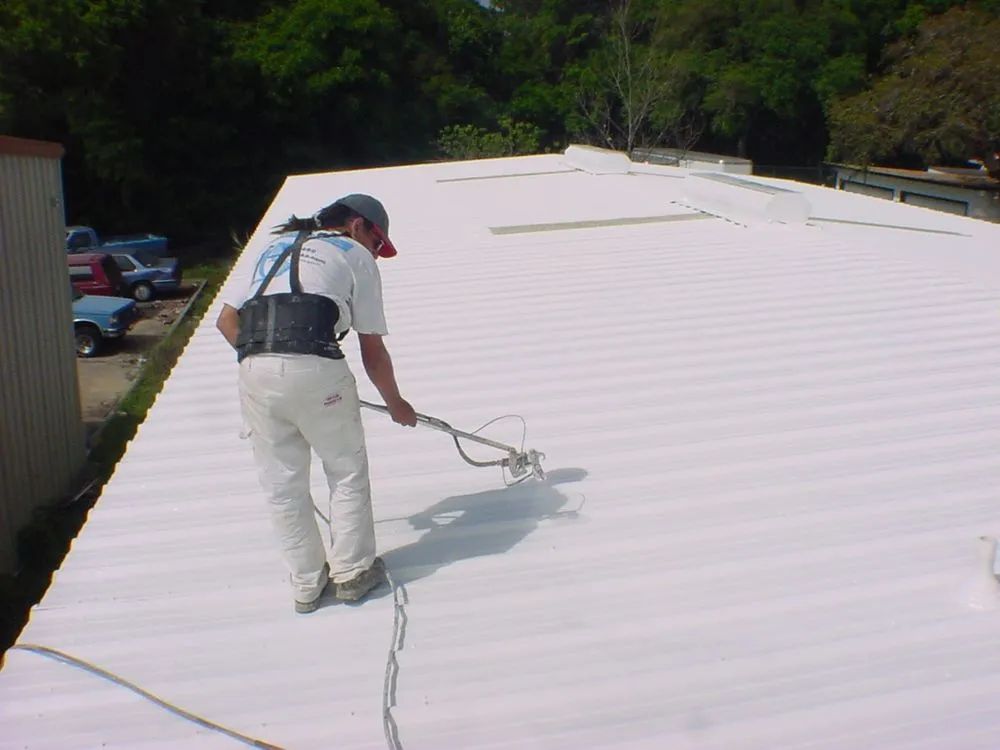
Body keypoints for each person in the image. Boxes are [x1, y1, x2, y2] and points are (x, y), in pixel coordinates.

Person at [216, 193, 417, 614]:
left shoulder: (272, 248)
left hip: (253, 369)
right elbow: (372, 352)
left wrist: (268, 360)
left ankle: (306, 585)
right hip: (317, 366)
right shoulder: (353, 256)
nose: (376, 255)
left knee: (282, 482)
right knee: (345, 470)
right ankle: (353, 573)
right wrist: (396, 403)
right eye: (378, 244)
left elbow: (226, 321)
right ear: (358, 225)